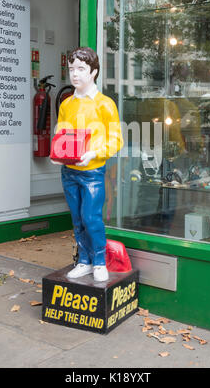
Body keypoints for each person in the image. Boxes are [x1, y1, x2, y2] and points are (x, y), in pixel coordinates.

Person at [51, 47, 123, 282]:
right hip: (69, 170)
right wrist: (57, 152)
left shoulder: (105, 105)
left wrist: (94, 153)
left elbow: (116, 140)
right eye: (72, 69)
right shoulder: (67, 104)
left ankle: (100, 261)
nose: (75, 74)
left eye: (81, 69)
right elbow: (61, 132)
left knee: (91, 217)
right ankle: (84, 260)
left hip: (92, 171)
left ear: (93, 72)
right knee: (77, 218)